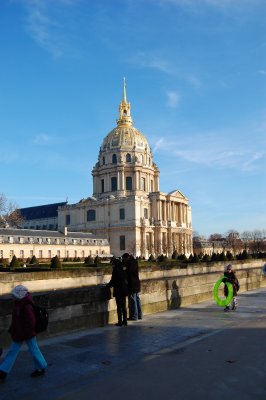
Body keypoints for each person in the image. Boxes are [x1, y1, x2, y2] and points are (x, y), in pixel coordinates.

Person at [0, 285, 47, 382]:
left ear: (19, 295)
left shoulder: (26, 306)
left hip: (26, 334)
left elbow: (30, 323)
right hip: (20, 333)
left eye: (14, 295)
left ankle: (41, 367)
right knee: (17, 351)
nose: (12, 297)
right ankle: (2, 372)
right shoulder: (19, 303)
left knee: (32, 350)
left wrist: (21, 333)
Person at [107, 258, 128, 326]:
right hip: (124, 289)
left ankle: (120, 321)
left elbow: (113, 281)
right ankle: (125, 321)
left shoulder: (115, 270)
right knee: (124, 306)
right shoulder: (123, 269)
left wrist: (108, 285)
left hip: (118, 290)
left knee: (119, 306)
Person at [122, 253, 142, 321]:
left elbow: (128, 272)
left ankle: (134, 316)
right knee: (137, 299)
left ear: (126, 258)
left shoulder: (129, 263)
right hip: (136, 283)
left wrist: (124, 269)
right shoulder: (135, 261)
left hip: (132, 284)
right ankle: (139, 315)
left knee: (133, 300)